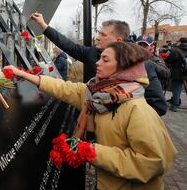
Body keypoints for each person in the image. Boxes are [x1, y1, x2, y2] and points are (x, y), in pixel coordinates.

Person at [4, 42, 177, 190]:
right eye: (100, 58)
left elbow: (151, 163)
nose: (97, 62)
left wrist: (90, 151)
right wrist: (24, 75)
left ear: (124, 67)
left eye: (105, 60)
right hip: (108, 186)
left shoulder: (138, 110)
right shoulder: (96, 94)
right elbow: (64, 88)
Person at [30, 12, 167, 116]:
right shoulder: (91, 53)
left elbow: (158, 106)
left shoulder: (141, 65)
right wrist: (44, 25)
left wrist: (115, 117)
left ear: (118, 40)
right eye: (98, 33)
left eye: (103, 34)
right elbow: (69, 46)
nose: (97, 37)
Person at [165, 37, 187, 112]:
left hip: (178, 73)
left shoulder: (176, 50)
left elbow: (167, 60)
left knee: (177, 88)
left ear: (180, 42)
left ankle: (174, 105)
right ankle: (175, 100)